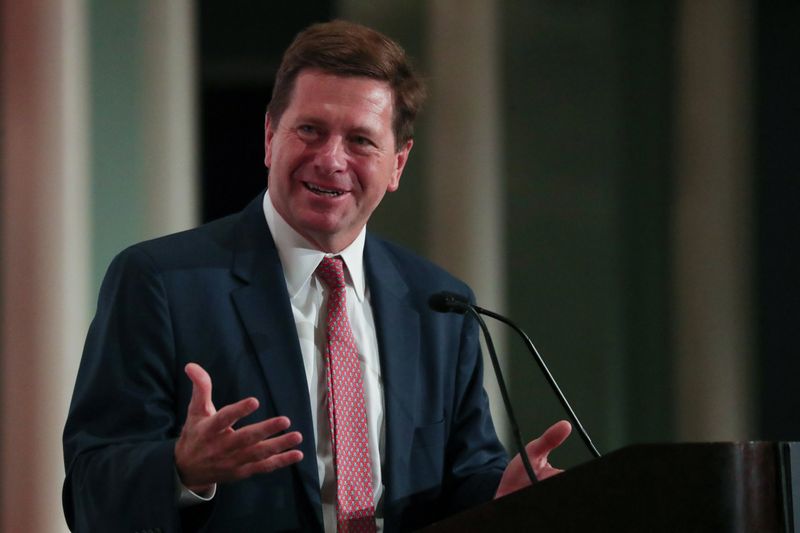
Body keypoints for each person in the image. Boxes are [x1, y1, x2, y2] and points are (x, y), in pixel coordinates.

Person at [62, 20, 571, 533]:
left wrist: (504, 497)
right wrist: (182, 468)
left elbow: (463, 479)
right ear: (269, 136)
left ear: (397, 164)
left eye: (360, 141)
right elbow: (89, 487)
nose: (330, 160)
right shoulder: (162, 283)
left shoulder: (439, 304)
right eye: (310, 130)